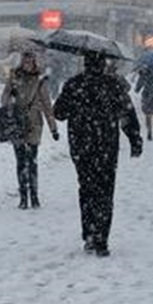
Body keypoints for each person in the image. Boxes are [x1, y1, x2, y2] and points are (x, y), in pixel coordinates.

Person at [51, 50, 143, 256]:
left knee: (86, 189)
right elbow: (127, 114)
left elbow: (59, 113)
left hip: (81, 145)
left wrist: (73, 103)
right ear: (103, 64)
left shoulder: (74, 84)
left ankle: (89, 235)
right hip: (106, 145)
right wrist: (134, 139)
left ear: (85, 64)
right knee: (105, 191)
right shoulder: (113, 85)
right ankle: (102, 238)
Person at [0, 48, 59, 209]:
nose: (28, 64)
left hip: (34, 125)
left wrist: (53, 128)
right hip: (17, 124)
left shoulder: (39, 80)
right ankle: (23, 197)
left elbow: (47, 105)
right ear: (22, 62)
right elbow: (3, 98)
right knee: (20, 162)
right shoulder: (14, 77)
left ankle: (34, 195)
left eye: (31, 61)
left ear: (34, 62)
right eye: (25, 61)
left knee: (32, 162)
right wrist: (10, 97)